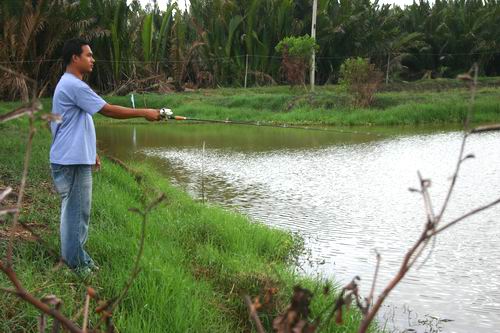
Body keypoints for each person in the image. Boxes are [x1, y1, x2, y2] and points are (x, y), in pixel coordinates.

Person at [50, 38, 161, 278]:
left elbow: (65, 125)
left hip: (72, 158)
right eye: (88, 55)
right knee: (76, 213)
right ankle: (75, 265)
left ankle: (78, 258)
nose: (93, 59)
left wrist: (91, 152)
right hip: (71, 162)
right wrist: (144, 113)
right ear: (74, 58)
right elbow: (107, 110)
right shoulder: (74, 85)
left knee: (75, 211)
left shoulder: (66, 85)